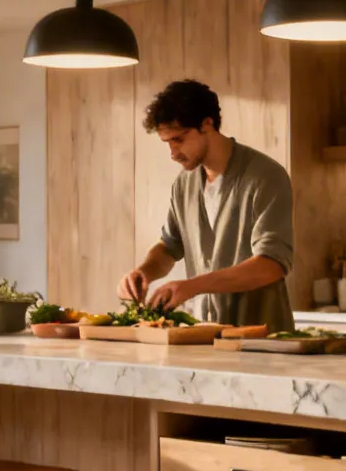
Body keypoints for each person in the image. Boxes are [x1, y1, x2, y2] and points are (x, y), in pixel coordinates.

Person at [119, 79, 295, 332]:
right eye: (167, 143)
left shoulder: (265, 177)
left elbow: (272, 265)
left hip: (262, 337)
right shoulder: (184, 184)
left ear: (207, 123)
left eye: (179, 139)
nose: (173, 153)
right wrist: (144, 272)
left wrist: (193, 286)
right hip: (205, 336)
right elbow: (169, 246)